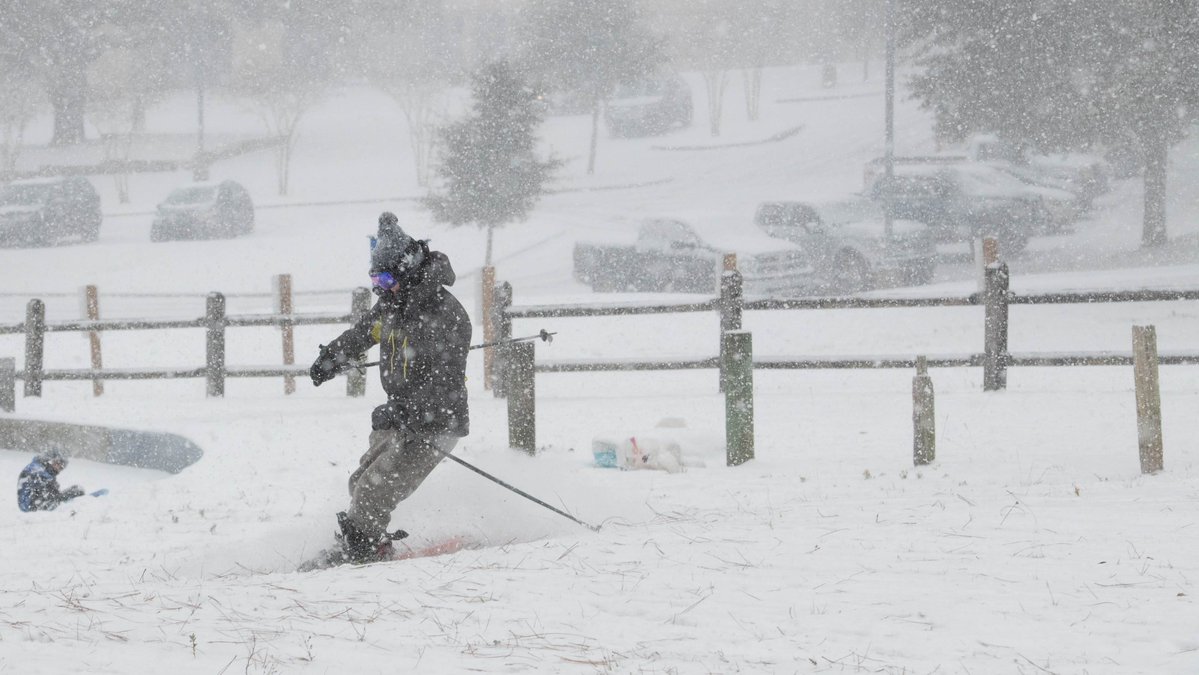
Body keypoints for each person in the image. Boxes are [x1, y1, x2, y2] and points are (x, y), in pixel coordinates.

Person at [309, 212, 471, 564]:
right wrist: (332, 357)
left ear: (408, 268)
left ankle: (360, 552)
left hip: (435, 422)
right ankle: (371, 539)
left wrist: (409, 410)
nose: (379, 287)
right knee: (360, 482)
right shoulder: (394, 305)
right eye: (374, 279)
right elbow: (364, 332)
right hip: (399, 416)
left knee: (373, 491)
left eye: (384, 278)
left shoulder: (445, 314)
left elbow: (446, 382)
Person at [17, 449, 86, 512]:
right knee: (75, 492)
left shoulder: (43, 470)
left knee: (74, 491)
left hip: (34, 503)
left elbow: (50, 490)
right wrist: (60, 495)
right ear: (51, 460)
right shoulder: (37, 469)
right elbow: (47, 488)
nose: (59, 469)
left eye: (62, 467)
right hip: (31, 506)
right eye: (58, 464)